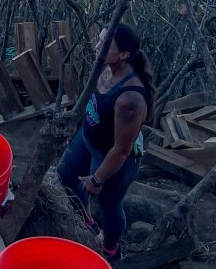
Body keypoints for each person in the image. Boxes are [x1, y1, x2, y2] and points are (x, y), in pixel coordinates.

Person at [57, 23, 155, 263]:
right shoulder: (103, 67)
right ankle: (87, 224)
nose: (96, 46)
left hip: (113, 156)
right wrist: (77, 128)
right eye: (99, 39)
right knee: (65, 177)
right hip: (88, 137)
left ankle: (111, 248)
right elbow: (90, 103)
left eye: (104, 43)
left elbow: (121, 150)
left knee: (108, 204)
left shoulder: (130, 99)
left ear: (124, 55)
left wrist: (98, 178)